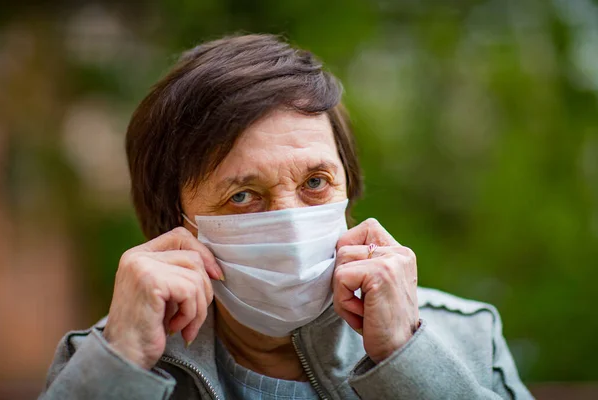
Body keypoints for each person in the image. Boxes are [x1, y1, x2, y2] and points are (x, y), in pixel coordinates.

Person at [40, 34, 533, 400]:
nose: (291, 222)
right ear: (176, 222)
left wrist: (406, 358)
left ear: (348, 188)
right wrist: (121, 362)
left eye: (315, 182)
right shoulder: (109, 358)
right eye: (242, 196)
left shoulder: (464, 338)